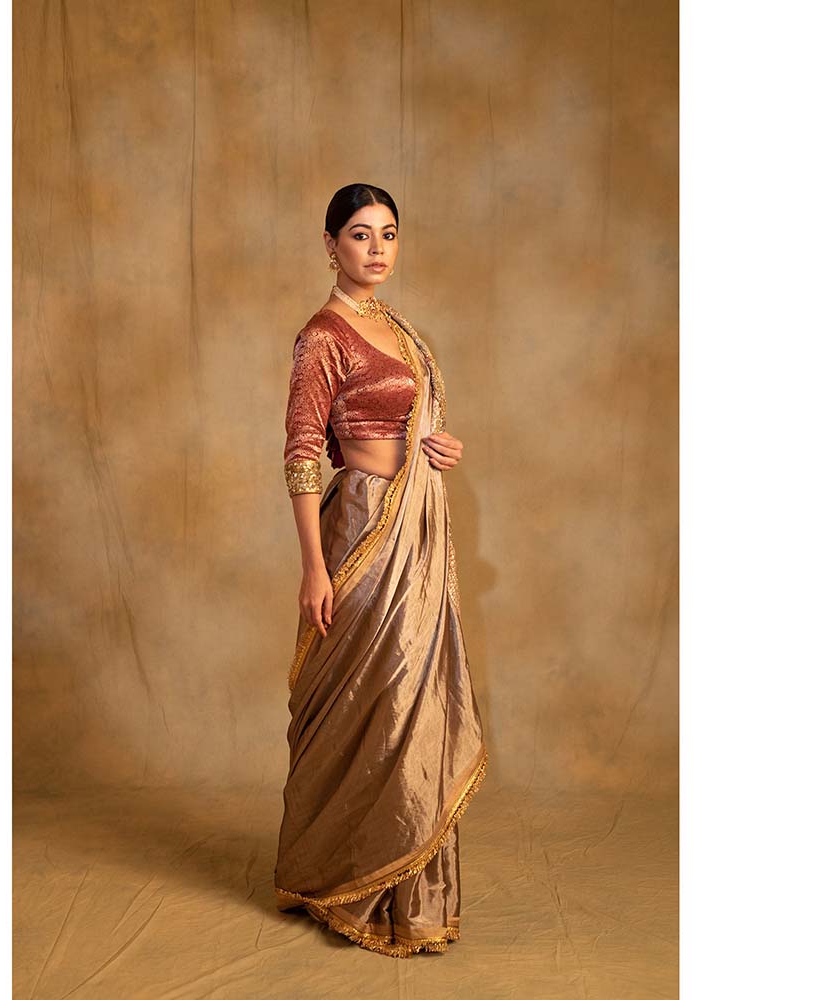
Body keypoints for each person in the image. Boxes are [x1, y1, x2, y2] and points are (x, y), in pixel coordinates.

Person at [274, 183, 488, 958]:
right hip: (361, 527)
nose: (376, 248)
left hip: (417, 527)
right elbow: (302, 453)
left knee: (416, 702)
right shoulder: (321, 336)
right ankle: (342, 879)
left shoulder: (400, 329)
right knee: (374, 699)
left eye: (388, 233)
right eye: (360, 234)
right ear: (330, 244)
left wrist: (439, 447)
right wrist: (314, 566)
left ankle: (404, 893)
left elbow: (414, 426)